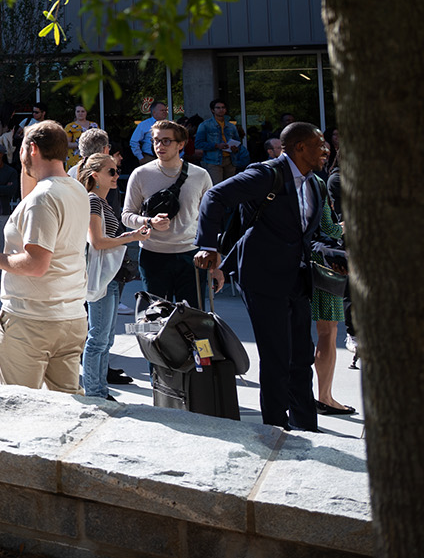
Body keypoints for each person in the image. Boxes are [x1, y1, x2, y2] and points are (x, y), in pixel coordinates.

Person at [195, 122, 328, 431]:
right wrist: (209, 246)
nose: (326, 150)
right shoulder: (266, 174)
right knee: (277, 357)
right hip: (263, 278)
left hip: (297, 279)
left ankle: (306, 425)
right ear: (299, 148)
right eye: (319, 144)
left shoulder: (314, 183)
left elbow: (304, 233)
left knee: (301, 357)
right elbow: (214, 197)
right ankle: (276, 429)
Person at [0, 121, 92, 392]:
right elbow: (30, 196)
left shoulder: (44, 198)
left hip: (32, 320)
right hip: (71, 317)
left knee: (19, 407)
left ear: (32, 149)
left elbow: (37, 265)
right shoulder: (76, 190)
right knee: (67, 406)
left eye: (21, 146)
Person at [78, 154, 156, 399]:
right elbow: (98, 242)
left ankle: (99, 389)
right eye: (111, 172)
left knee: (105, 337)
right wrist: (132, 237)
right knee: (99, 337)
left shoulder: (102, 202)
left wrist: (132, 234)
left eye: (116, 170)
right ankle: (95, 391)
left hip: (109, 276)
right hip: (102, 276)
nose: (116, 176)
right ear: (95, 176)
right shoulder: (93, 201)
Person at [123, 119, 211, 307]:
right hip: (153, 255)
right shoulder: (140, 174)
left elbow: (209, 219)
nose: (159, 146)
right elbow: (127, 216)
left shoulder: (200, 175)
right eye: (155, 140)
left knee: (193, 321)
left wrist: (212, 254)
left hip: (191, 255)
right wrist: (149, 222)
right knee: (155, 320)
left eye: (166, 141)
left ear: (180, 144)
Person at [308, 178, 354, 415]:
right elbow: (330, 228)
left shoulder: (288, 180)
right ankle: (325, 397)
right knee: (328, 332)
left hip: (290, 262)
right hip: (322, 265)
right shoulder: (316, 182)